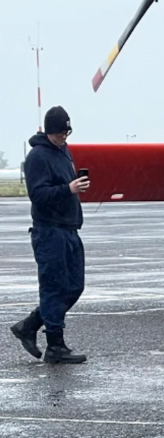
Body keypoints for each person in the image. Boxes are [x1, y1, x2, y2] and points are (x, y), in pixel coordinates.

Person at [10, 106, 88, 364]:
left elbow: (63, 189)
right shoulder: (37, 157)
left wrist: (74, 189)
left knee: (74, 287)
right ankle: (55, 346)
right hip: (49, 231)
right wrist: (68, 189)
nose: (63, 137)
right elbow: (38, 195)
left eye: (67, 132)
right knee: (54, 288)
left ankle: (29, 325)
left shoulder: (64, 152)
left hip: (69, 229)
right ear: (49, 131)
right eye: (59, 133)